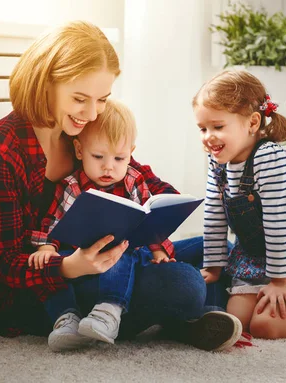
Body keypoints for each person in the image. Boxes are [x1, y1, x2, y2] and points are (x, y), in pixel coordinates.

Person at [0, 20, 242, 352]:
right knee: (185, 284)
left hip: (109, 258)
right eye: (80, 98)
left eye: (102, 100)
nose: (92, 113)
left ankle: (181, 319)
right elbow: (2, 265)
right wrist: (69, 266)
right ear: (45, 84)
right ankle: (187, 317)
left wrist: (162, 212)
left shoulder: (83, 133)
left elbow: (147, 182)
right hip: (44, 292)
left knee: (220, 248)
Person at [192, 70, 286, 340]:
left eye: (217, 127)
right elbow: (214, 215)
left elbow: (278, 225)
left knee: (267, 327)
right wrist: (214, 266)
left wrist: (278, 282)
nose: (208, 137)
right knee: (237, 322)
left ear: (252, 123)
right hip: (252, 258)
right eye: (202, 129)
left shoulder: (271, 160)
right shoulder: (218, 162)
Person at [29, 99, 180, 350]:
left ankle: (109, 311)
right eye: (98, 156)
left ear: (130, 153)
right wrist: (47, 247)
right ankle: (66, 319)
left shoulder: (133, 180)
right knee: (47, 267)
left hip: (123, 255)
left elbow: (149, 217)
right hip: (76, 258)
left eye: (120, 158)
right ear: (79, 151)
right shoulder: (72, 185)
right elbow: (52, 220)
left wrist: (158, 247)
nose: (108, 166)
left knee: (123, 252)